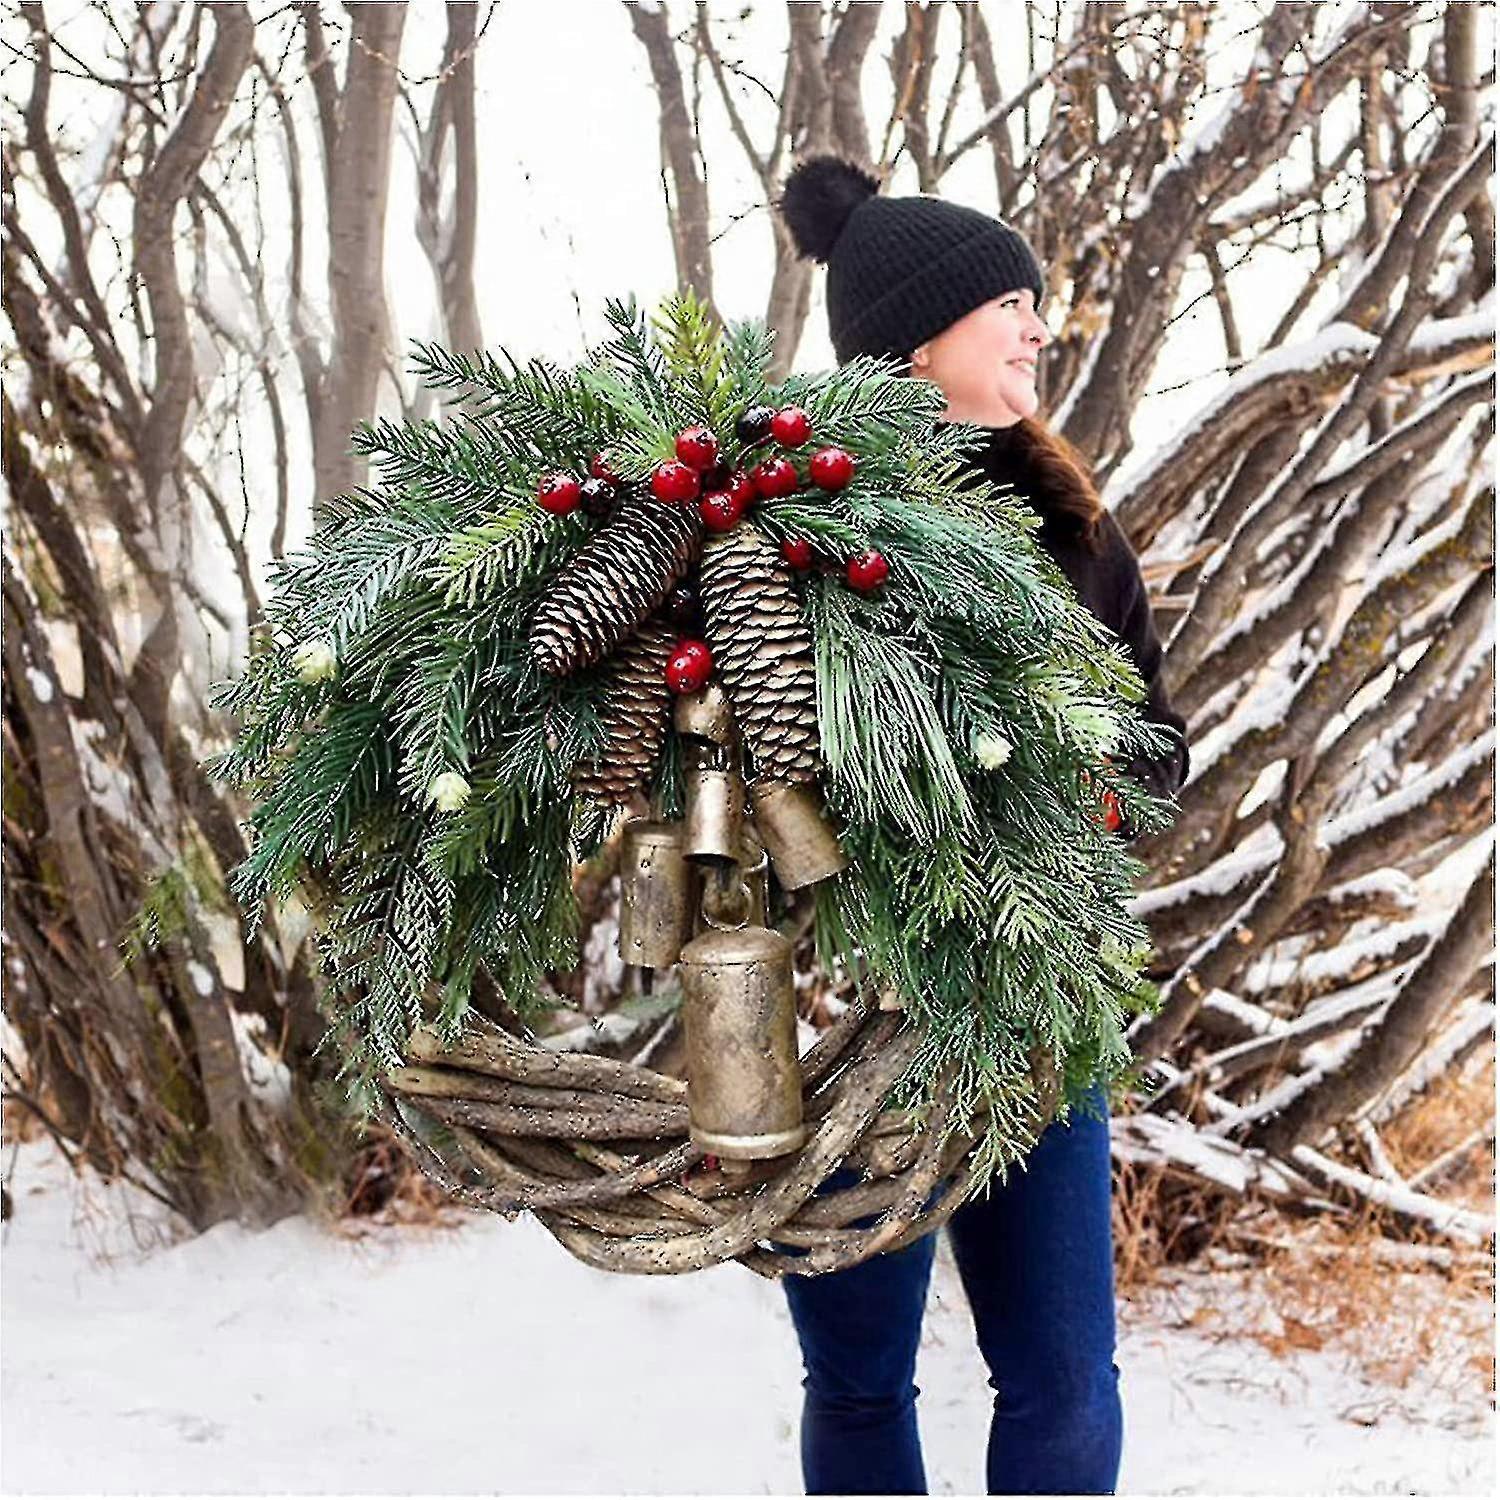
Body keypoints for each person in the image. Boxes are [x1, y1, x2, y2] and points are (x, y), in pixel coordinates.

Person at [772, 155, 1192, 1497]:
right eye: (1009, 301)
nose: (1035, 325)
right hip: (839, 1022)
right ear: (916, 335)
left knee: (1065, 1380)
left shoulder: (1075, 527)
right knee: (855, 1382)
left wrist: (1088, 793)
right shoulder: (792, 526)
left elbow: (1160, 747)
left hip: (1032, 1016)